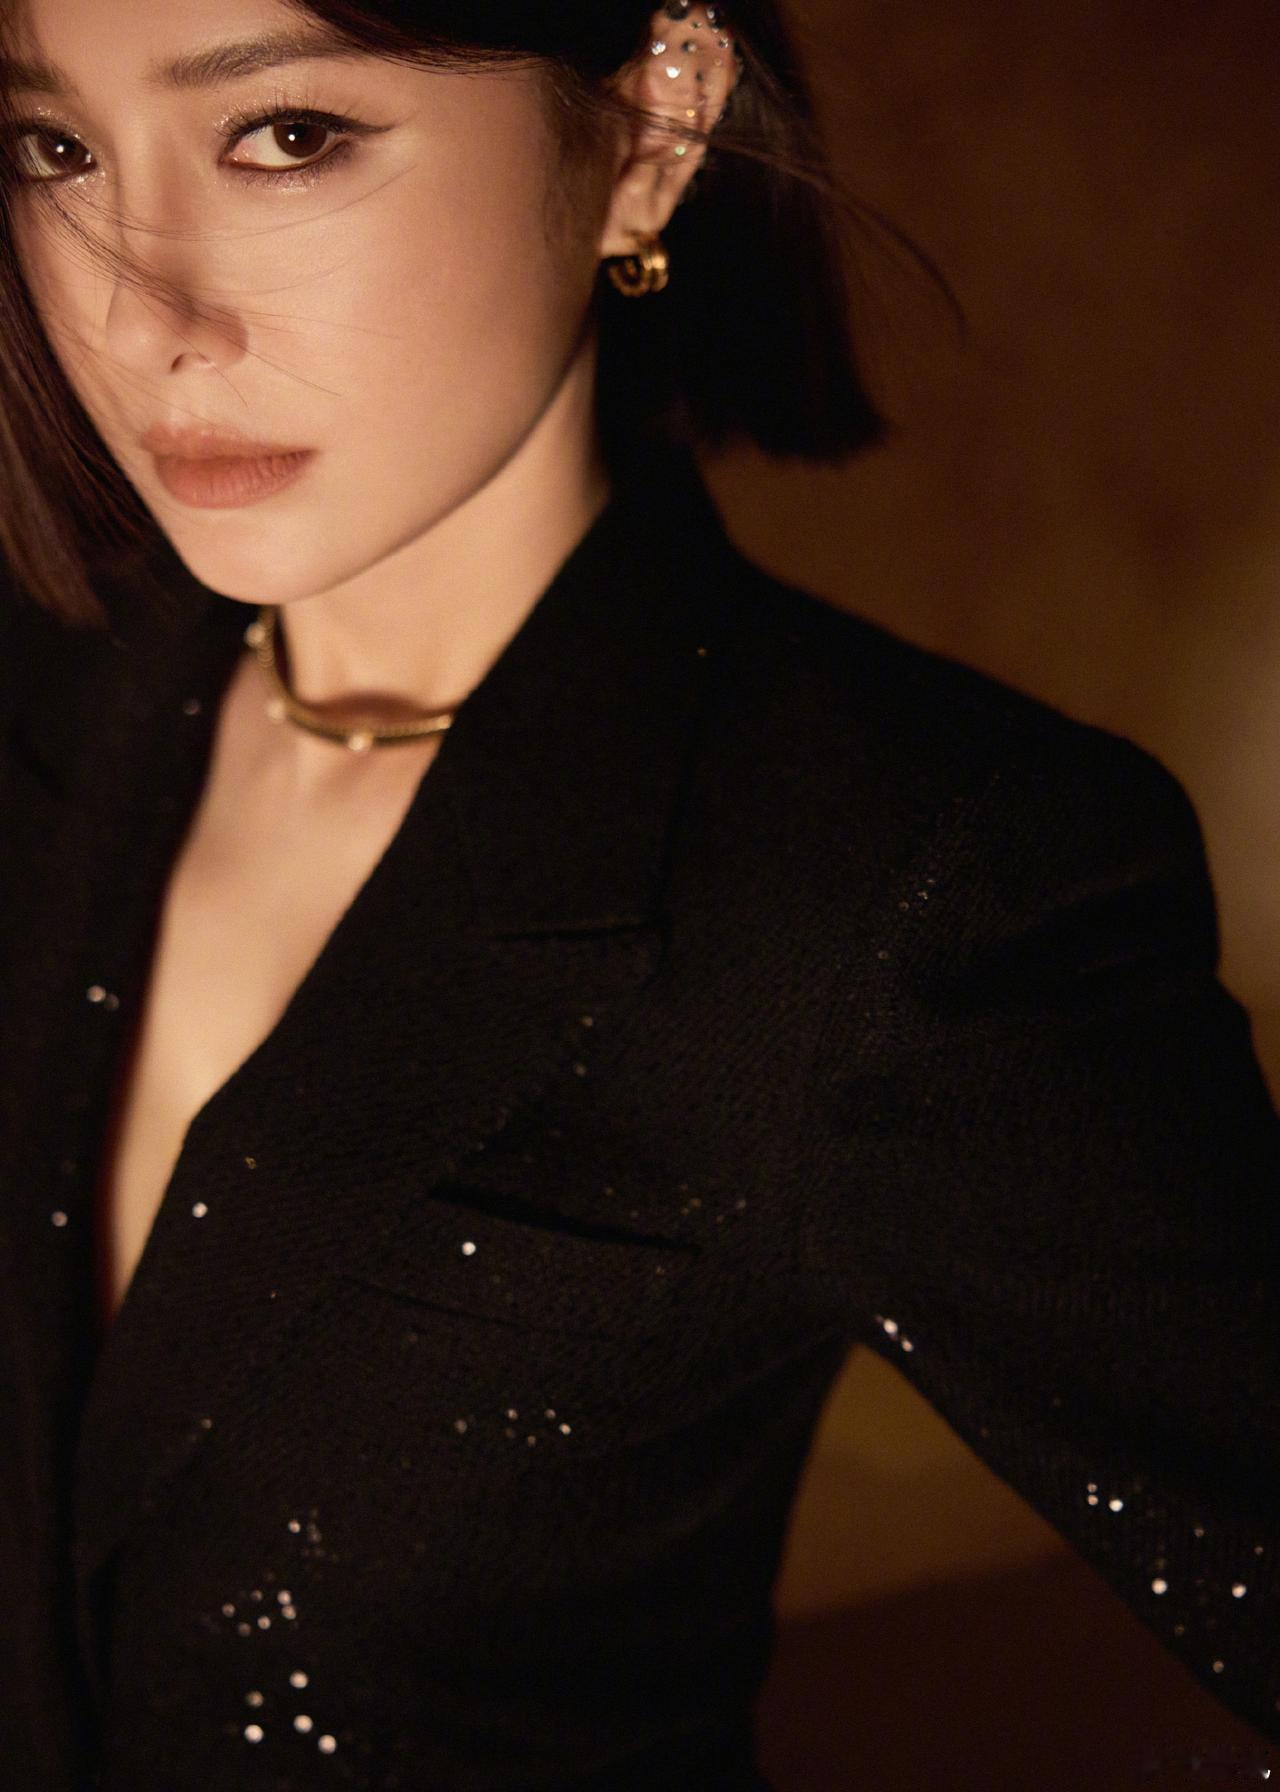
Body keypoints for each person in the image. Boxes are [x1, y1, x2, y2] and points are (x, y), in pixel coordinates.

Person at [0, 0, 1275, 1787]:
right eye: (55, 148)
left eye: (287, 136)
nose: (143, 313)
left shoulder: (911, 886)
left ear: (652, 128)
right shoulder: (53, 686)